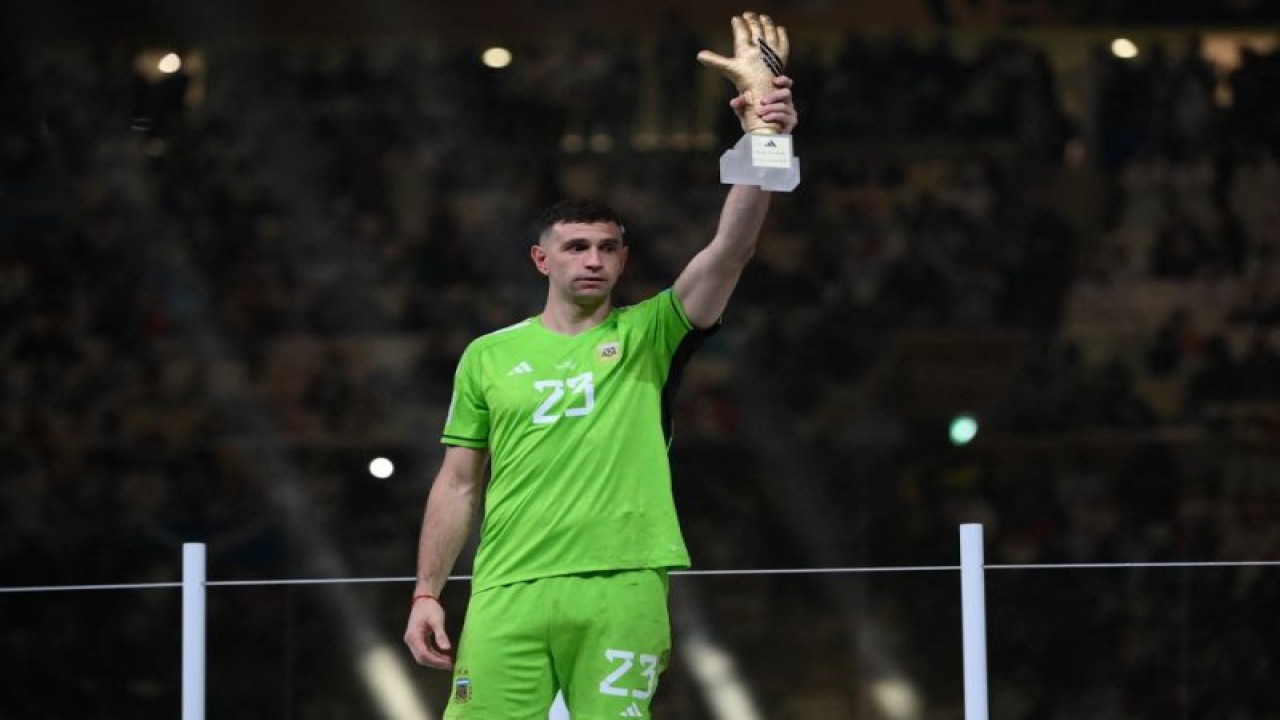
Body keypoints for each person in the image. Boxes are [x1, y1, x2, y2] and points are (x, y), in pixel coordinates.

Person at [404, 13, 798, 719]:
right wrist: (427, 593)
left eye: (608, 248)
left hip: (623, 585)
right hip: (505, 589)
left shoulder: (654, 332)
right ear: (542, 259)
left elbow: (731, 249)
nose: (593, 259)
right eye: (578, 246)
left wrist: (765, 136)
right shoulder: (488, 355)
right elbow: (458, 484)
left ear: (624, 258)